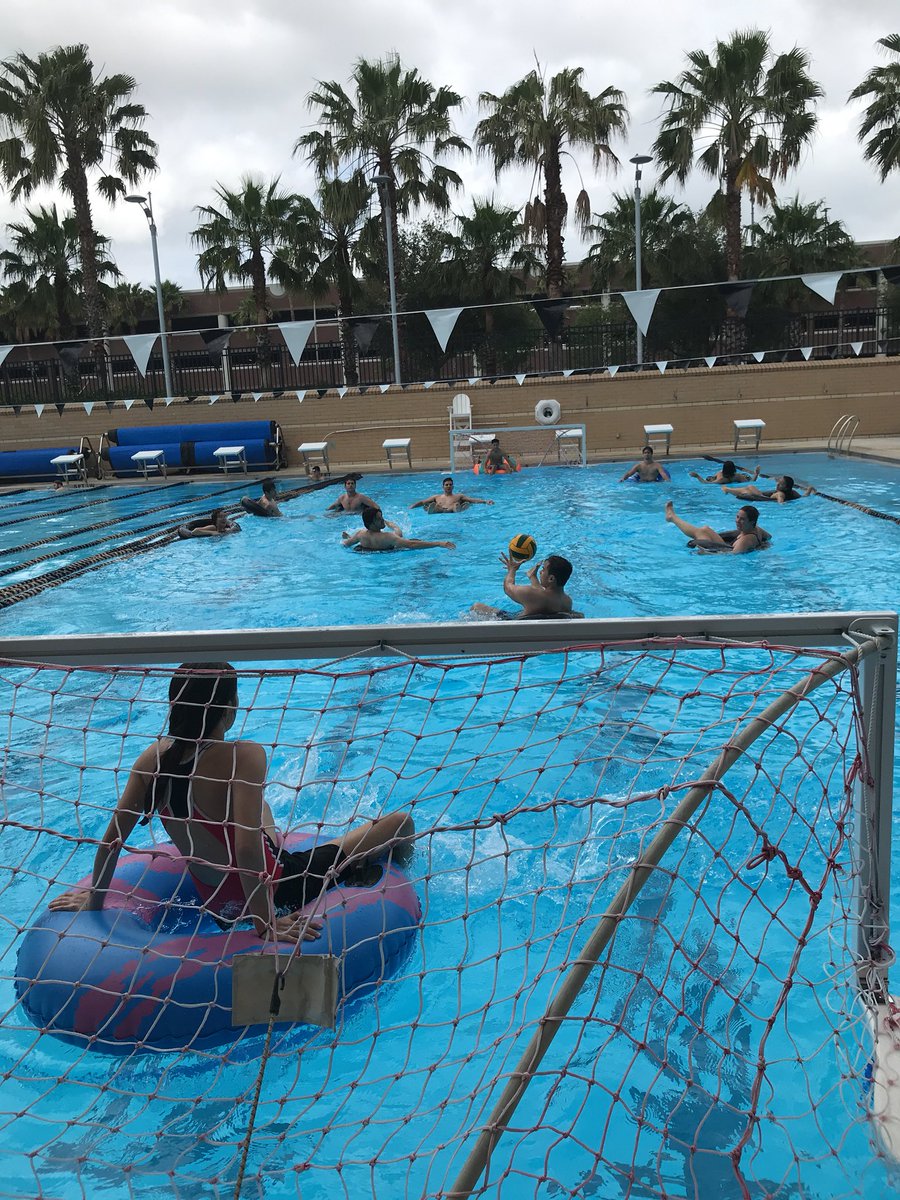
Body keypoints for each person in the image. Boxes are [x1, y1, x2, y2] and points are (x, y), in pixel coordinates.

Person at [48, 663, 415, 944]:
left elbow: (111, 839)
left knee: (262, 811)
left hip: (216, 903)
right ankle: (393, 873)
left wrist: (94, 902)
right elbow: (244, 848)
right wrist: (265, 922)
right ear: (231, 707)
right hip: (280, 887)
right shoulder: (244, 756)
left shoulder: (152, 759)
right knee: (400, 823)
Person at [472, 553, 581, 619]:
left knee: (477, 606)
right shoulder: (567, 601)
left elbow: (508, 588)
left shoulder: (530, 594)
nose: (541, 572)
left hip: (514, 625)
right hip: (539, 628)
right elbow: (543, 597)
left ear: (551, 578)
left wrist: (512, 570)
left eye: (543, 569)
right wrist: (533, 578)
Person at [665, 500, 770, 553]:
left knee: (701, 533)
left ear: (752, 522)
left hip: (727, 551)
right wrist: (763, 545)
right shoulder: (757, 529)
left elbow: (732, 557)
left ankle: (672, 517)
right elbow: (769, 537)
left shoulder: (745, 540)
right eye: (737, 517)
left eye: (742, 519)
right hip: (727, 545)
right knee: (705, 529)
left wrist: (707, 553)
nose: (737, 521)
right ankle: (672, 517)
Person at [342, 505, 455, 551]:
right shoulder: (388, 536)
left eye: (382, 518)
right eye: (379, 519)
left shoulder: (360, 535)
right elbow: (411, 545)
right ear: (371, 523)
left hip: (367, 549)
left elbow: (345, 544)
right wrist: (439, 543)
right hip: (389, 548)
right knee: (399, 532)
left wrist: (348, 539)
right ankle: (394, 526)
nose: (382, 520)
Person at [410, 477, 495, 513]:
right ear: (443, 487)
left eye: (450, 485)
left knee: (456, 504)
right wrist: (412, 506)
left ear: (453, 486)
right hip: (440, 510)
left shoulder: (458, 496)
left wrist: (485, 501)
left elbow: (471, 500)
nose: (448, 486)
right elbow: (423, 502)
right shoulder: (436, 497)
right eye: (446, 485)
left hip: (452, 510)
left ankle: (458, 509)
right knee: (434, 505)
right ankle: (432, 510)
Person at [721, 474, 810, 503]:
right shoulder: (793, 492)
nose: (778, 484)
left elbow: (780, 500)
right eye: (778, 482)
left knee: (749, 488)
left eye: (781, 484)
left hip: (761, 497)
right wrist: (809, 490)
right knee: (749, 487)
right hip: (763, 495)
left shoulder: (780, 494)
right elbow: (803, 496)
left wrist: (782, 504)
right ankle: (727, 489)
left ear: (786, 487)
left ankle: (727, 489)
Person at [690, 461, 759, 485]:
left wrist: (697, 476)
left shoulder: (721, 478)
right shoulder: (738, 476)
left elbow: (706, 483)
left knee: (709, 478)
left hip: (721, 479)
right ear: (734, 468)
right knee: (747, 476)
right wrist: (756, 473)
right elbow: (752, 482)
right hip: (734, 479)